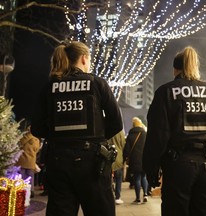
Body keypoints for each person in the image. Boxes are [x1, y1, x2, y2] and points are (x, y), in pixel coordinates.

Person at [143, 46, 206, 216]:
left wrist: (151, 169)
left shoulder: (166, 92)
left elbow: (158, 135)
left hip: (178, 166)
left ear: (175, 69)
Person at [31, 41, 123, 216]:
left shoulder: (49, 87)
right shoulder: (97, 84)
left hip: (59, 160)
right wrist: (97, 137)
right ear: (83, 58)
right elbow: (116, 122)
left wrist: (58, 135)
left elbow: (36, 128)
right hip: (93, 162)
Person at [124, 117, 149, 204]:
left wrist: (125, 157)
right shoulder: (144, 134)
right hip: (145, 159)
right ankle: (145, 194)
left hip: (134, 160)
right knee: (144, 177)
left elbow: (126, 149)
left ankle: (138, 198)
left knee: (137, 178)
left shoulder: (130, 135)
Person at [16, 123, 41, 198]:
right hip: (31, 161)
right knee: (30, 177)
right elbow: (37, 149)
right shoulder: (36, 139)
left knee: (22, 177)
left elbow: (18, 145)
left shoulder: (23, 137)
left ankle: (22, 190)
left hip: (22, 161)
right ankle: (30, 191)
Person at [109, 130, 126, 205]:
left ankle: (110, 196)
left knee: (109, 178)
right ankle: (117, 197)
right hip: (118, 158)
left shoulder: (107, 129)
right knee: (119, 179)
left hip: (109, 158)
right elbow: (123, 144)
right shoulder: (120, 132)